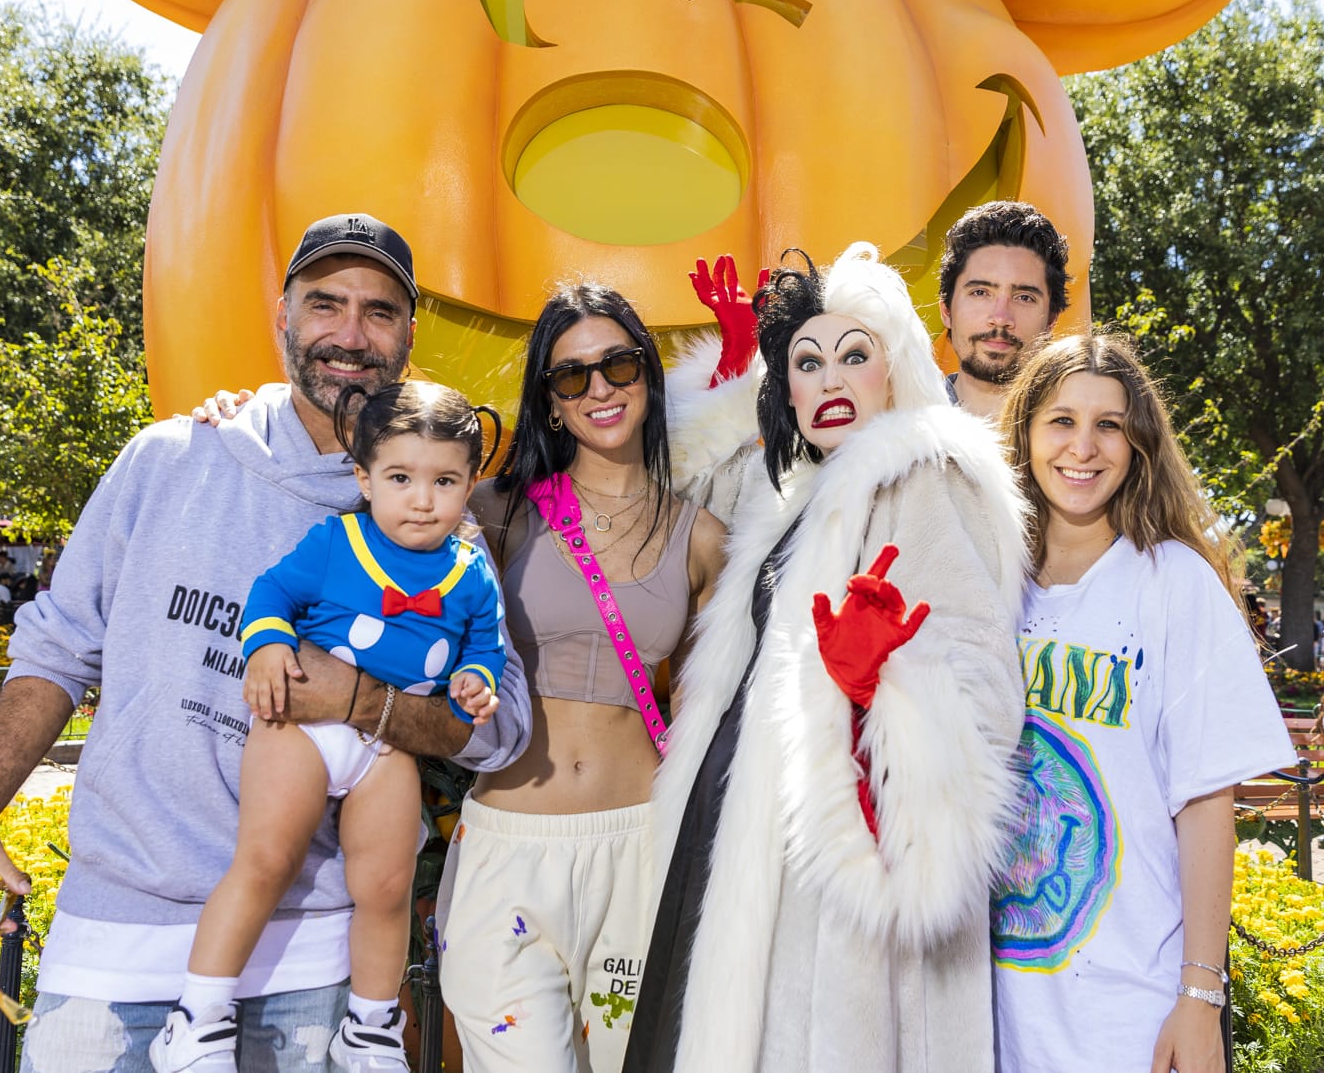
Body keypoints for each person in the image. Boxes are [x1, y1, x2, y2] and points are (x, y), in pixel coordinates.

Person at [0, 213, 532, 1072]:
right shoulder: (171, 458)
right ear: (282, 316)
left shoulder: (443, 528)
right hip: (119, 935)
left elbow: (498, 728)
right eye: (324, 303)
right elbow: (59, 646)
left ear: (408, 336)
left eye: (379, 310)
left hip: (313, 962)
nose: (350, 333)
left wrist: (363, 703)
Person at [625, 244, 1027, 1072]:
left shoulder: (920, 476)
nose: (830, 378)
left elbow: (986, 687)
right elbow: (679, 512)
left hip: (830, 851)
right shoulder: (790, 493)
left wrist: (884, 682)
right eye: (806, 362)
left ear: (895, 371)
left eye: (854, 355)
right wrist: (733, 375)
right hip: (739, 824)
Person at [152, 380, 506, 1073]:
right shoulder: (336, 538)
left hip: (387, 745)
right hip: (300, 728)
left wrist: (477, 681)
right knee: (265, 859)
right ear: (364, 479)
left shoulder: (471, 571)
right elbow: (269, 595)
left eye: (445, 480)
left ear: (469, 484)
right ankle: (197, 1018)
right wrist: (269, 645)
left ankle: (371, 1028)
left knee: (384, 885)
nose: (423, 498)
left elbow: (483, 647)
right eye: (401, 477)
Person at [435, 283, 726, 1073]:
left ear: (648, 377)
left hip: (642, 849)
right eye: (571, 376)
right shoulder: (491, 514)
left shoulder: (701, 537)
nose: (598, 388)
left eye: (618, 364)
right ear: (550, 403)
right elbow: (378, 492)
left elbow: (709, 718)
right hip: (509, 852)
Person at [991, 333, 1293, 1073]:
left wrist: (1199, 995)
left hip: (1126, 1008)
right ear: (1025, 433)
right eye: (1060, 420)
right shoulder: (985, 579)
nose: (1082, 447)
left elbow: (1204, 801)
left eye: (1108, 425)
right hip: (987, 1005)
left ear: (1137, 446)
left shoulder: (1171, 582)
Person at [937, 200, 1071, 418]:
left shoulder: (1078, 444)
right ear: (946, 311)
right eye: (980, 292)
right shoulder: (890, 437)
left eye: (1024, 297)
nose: (1000, 318)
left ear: (1051, 321)